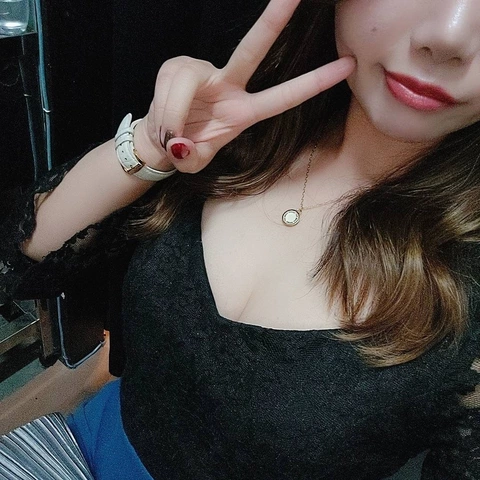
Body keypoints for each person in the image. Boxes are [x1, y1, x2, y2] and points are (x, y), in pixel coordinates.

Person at [1, 0, 480, 478]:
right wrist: (150, 145)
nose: (449, 38)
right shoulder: (248, 120)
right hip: (79, 449)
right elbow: (26, 260)